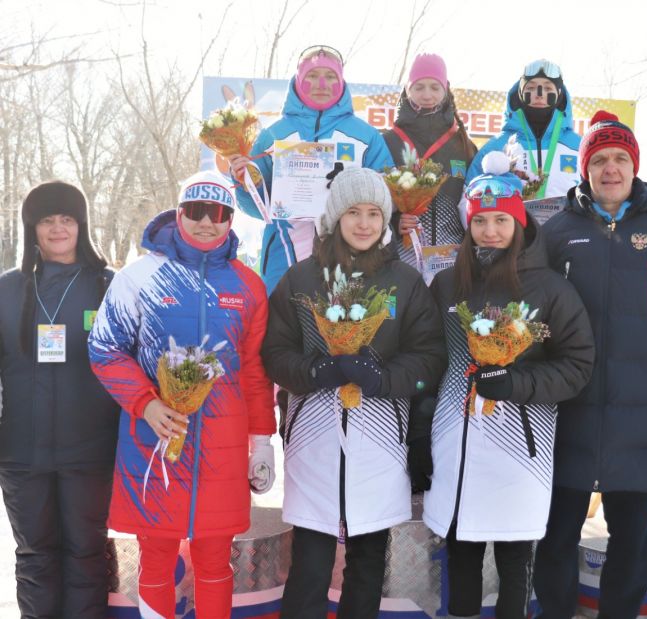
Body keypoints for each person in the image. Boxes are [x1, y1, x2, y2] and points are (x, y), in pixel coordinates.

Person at [535, 111, 647, 619]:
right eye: (600, 159)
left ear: (635, 166)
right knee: (556, 535)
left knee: (631, 541)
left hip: (643, 413)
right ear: (585, 167)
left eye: (620, 159)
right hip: (568, 409)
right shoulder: (558, 233)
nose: (611, 169)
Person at [88, 170, 276, 619]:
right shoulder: (140, 276)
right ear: (179, 212)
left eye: (219, 213)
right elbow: (105, 349)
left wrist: (262, 442)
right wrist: (146, 404)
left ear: (231, 219)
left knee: (215, 558)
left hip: (222, 446)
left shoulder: (248, 285)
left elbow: (254, 372)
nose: (206, 222)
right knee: (157, 554)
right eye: (195, 211)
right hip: (153, 440)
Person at [261, 166, 445, 619]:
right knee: (311, 561)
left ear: (385, 221)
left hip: (380, 440)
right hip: (314, 441)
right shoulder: (301, 279)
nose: (364, 224)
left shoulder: (405, 282)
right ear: (334, 217)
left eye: (374, 214)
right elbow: (275, 353)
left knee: (366, 563)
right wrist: (315, 369)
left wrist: (383, 379)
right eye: (353, 213)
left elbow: (429, 357)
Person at [420, 152, 594, 619]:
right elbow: (431, 361)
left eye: (501, 220)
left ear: (519, 224)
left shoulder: (551, 289)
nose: (491, 231)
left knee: (514, 559)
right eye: (481, 221)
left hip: (520, 448)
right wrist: (422, 435)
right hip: (454, 443)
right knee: (460, 553)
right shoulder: (447, 286)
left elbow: (578, 365)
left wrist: (515, 382)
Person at [0, 181, 119, 618]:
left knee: (86, 554)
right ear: (32, 228)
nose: (57, 228)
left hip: (90, 450)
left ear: (81, 225)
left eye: (66, 218)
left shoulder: (108, 287)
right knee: (35, 557)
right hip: (22, 454)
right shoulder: (6, 290)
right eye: (47, 220)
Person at [229, 45, 393, 293]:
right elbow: (257, 207)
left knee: (344, 325)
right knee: (283, 326)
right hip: (283, 255)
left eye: (330, 77)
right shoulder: (273, 135)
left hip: (351, 255)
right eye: (312, 76)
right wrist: (245, 183)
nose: (321, 85)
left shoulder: (366, 136)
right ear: (297, 80)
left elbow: (386, 198)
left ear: (341, 82)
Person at [383, 52, 478, 273]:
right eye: (419, 87)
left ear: (446, 90)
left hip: (453, 261)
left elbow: (473, 202)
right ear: (407, 90)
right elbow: (372, 201)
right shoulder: (388, 142)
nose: (427, 95)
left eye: (435, 87)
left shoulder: (463, 145)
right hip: (402, 260)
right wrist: (395, 222)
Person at [466, 59, 582, 199]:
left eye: (548, 88)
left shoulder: (578, 146)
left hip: (564, 221)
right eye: (531, 88)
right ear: (520, 93)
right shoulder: (497, 146)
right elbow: (469, 195)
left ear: (559, 94)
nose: (539, 94)